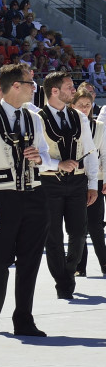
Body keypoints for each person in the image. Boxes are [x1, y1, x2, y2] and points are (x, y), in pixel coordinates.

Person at [0, 64, 56, 336]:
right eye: (31, 83)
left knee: (30, 260)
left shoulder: (34, 118)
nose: (35, 87)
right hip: (3, 197)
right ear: (16, 86)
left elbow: (45, 158)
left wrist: (39, 158)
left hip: (35, 195)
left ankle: (24, 318)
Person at [36, 71, 99, 300]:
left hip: (78, 183)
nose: (74, 90)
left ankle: (68, 272)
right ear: (55, 91)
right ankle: (62, 281)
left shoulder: (79, 117)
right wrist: (57, 163)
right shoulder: (37, 118)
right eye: (69, 87)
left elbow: (90, 151)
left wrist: (92, 184)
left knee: (79, 233)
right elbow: (33, 158)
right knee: (52, 236)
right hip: (49, 182)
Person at [73, 86, 106, 276]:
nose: (84, 108)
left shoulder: (99, 127)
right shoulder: (68, 125)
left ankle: (104, 262)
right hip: (75, 180)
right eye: (81, 105)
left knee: (95, 224)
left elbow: (104, 154)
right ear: (73, 105)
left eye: (88, 105)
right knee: (78, 225)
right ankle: (79, 265)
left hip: (97, 178)